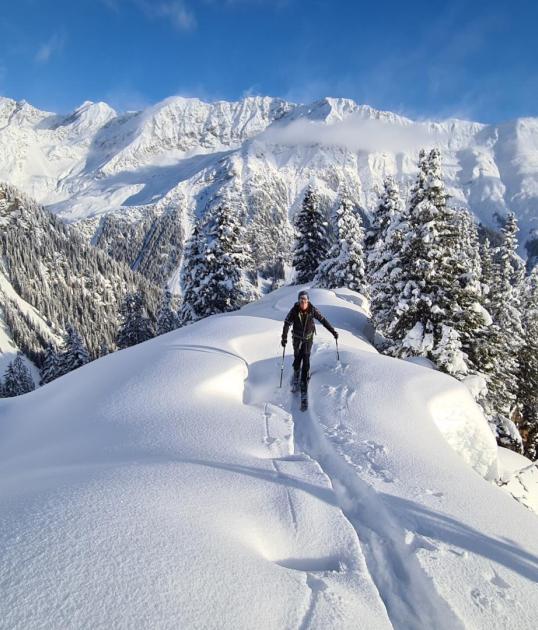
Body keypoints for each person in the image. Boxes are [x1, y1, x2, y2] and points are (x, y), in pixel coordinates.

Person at [281, 290, 338, 393]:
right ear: (298, 301)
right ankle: (296, 375)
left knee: (306, 358)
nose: (303, 302)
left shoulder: (312, 310)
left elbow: (323, 320)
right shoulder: (294, 310)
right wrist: (284, 337)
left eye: (305, 299)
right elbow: (287, 323)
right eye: (301, 299)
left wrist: (333, 331)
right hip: (297, 338)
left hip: (308, 338)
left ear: (308, 300)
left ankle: (304, 378)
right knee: (297, 358)